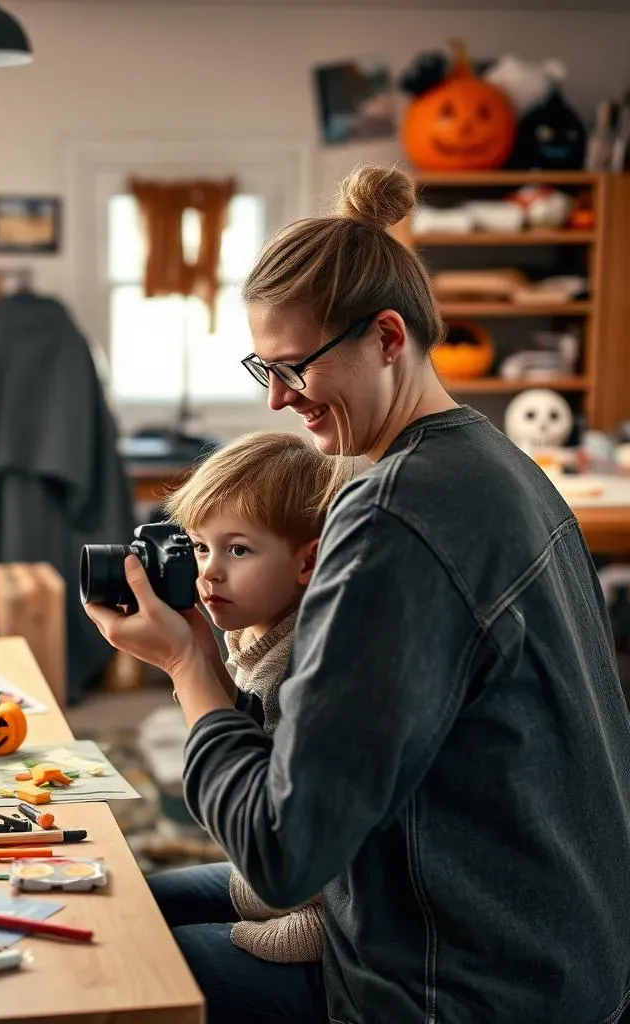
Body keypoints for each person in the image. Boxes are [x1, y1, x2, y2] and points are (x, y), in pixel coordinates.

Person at [84, 164, 630, 1024]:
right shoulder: (497, 464)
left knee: (113, 972)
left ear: (386, 337)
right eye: (263, 367)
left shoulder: (394, 514)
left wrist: (189, 665)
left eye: (294, 368)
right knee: (121, 904)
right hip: (564, 946)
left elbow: (280, 854)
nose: (276, 398)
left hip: (465, 982)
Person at [164, 431, 337, 967]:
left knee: (148, 954)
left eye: (237, 549)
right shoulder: (258, 632)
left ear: (306, 564)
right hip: (268, 884)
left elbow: (301, 854)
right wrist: (202, 662)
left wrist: (182, 663)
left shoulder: (307, 664)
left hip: (323, 920)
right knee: (137, 906)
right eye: (200, 546)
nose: (209, 571)